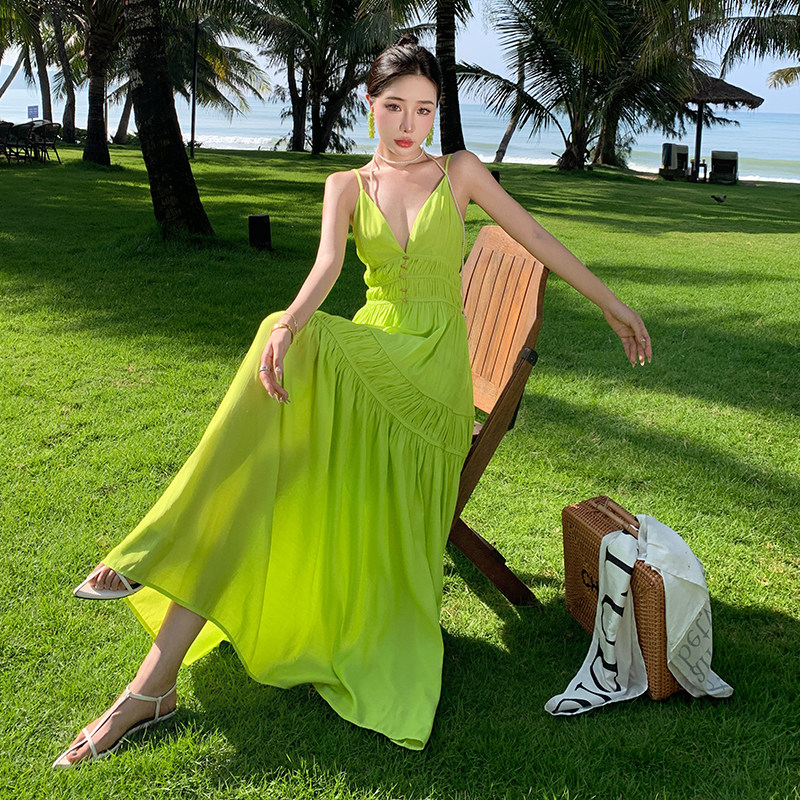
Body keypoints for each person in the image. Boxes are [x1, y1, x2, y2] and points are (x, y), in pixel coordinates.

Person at [53, 35, 651, 768]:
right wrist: (290, 324)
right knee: (263, 448)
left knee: (275, 379)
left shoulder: (460, 171)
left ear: (437, 112)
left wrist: (613, 305)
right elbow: (327, 268)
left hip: (431, 379)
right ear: (370, 105)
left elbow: (533, 235)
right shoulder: (346, 185)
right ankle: (150, 686)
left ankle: (150, 555)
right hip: (372, 356)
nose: (409, 125)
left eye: (424, 110)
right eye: (394, 106)